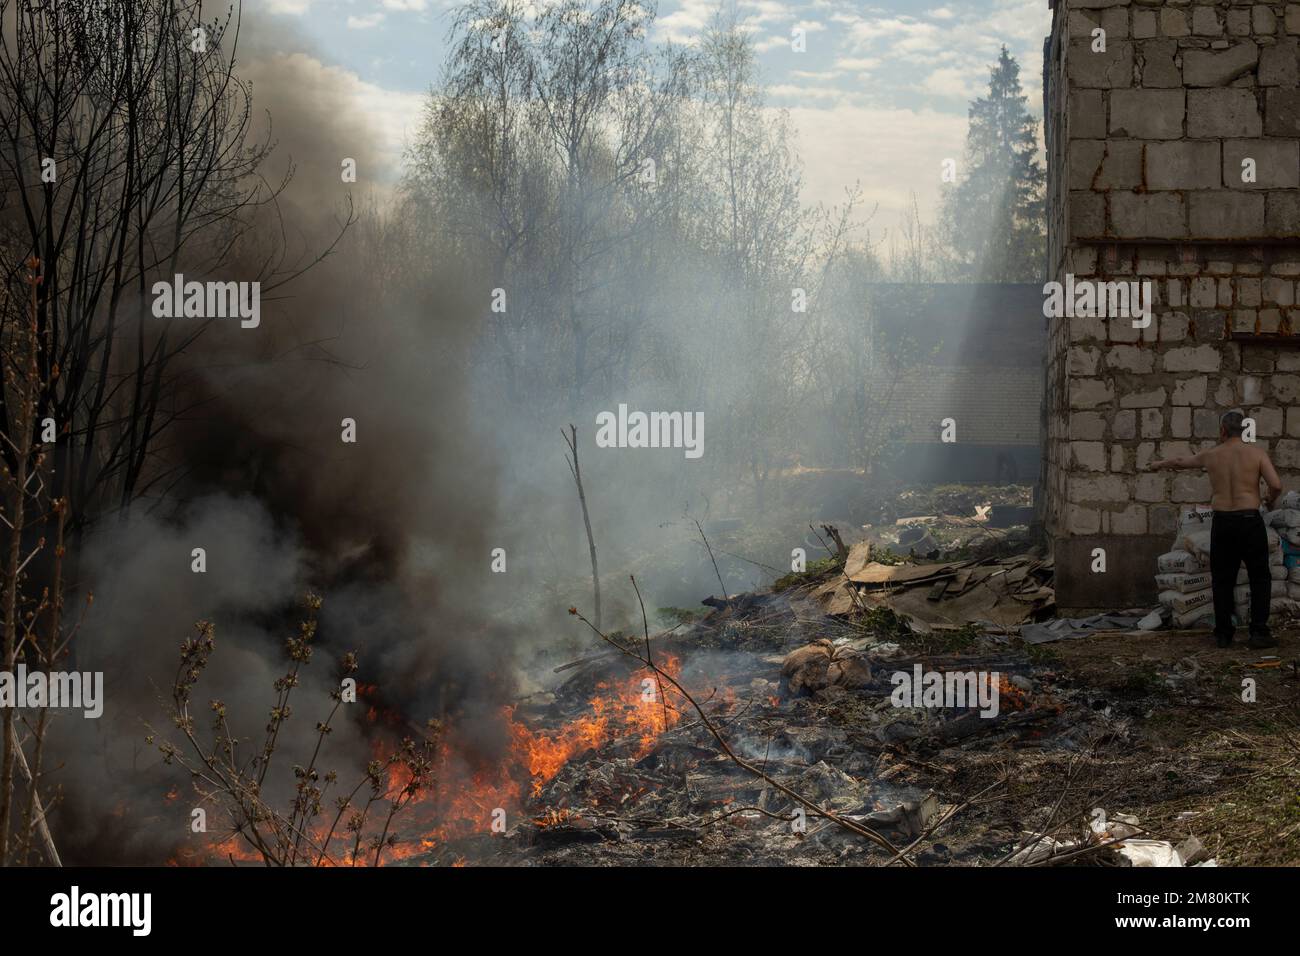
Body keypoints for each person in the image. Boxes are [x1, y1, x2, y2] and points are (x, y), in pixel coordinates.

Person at [1149, 410, 1281, 648]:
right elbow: (1276, 485)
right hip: (1250, 520)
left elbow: (1180, 462)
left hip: (1223, 523)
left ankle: (1223, 634)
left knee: (1222, 579)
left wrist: (1158, 464)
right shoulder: (1257, 454)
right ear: (1244, 430)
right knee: (1259, 577)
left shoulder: (1212, 455)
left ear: (1222, 431)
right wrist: (1269, 500)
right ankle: (1259, 633)